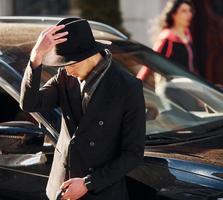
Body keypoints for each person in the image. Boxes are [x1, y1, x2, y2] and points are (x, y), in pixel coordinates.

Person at [20, 17, 146, 200]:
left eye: (70, 63)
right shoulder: (64, 77)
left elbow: (133, 154)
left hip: (102, 192)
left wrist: (88, 183)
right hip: (62, 188)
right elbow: (30, 103)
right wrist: (35, 57)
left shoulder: (128, 87)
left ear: (89, 55)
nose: (67, 70)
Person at [137, 0, 198, 81]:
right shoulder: (166, 38)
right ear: (174, 14)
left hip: (188, 86)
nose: (189, 14)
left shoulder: (187, 34)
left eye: (189, 11)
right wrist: (136, 83)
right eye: (184, 11)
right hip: (170, 88)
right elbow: (151, 62)